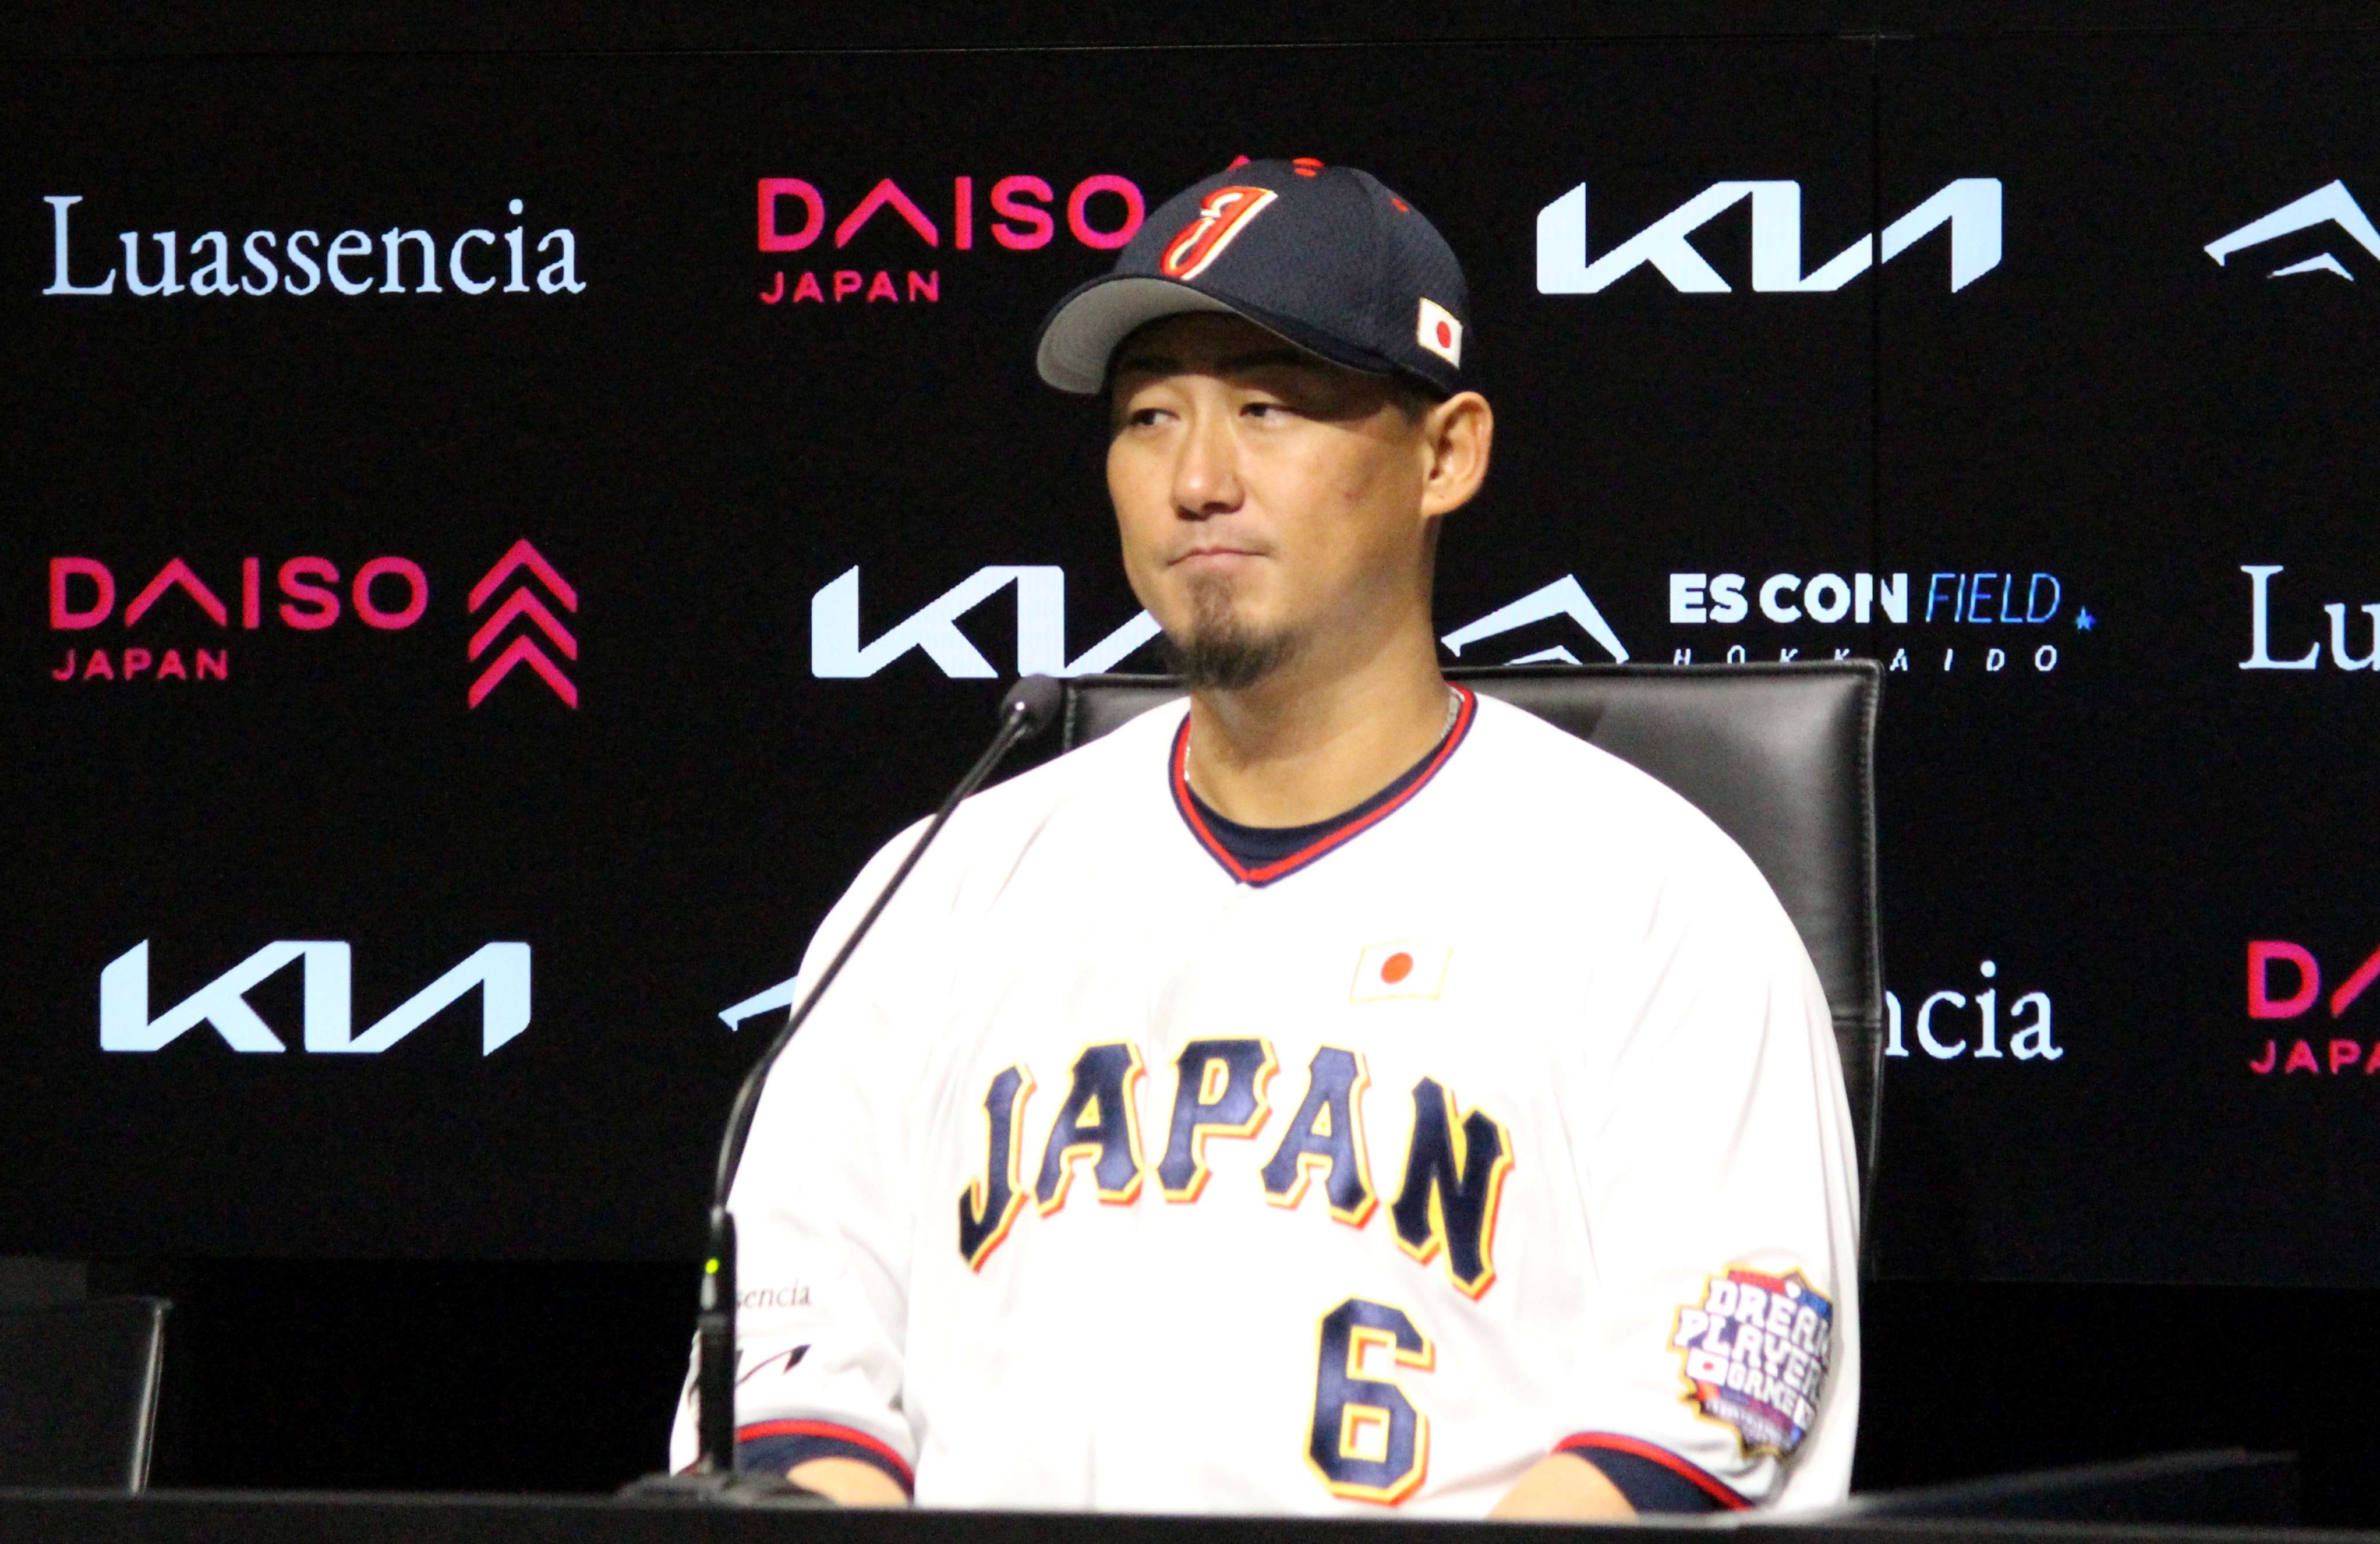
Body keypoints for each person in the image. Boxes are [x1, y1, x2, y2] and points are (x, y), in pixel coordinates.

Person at [671, 157, 1861, 1519]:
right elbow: (789, 1386)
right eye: (1149, 416)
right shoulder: (939, 891)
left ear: (1446, 454)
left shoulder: (1652, 903)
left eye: (1268, 407)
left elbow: (1707, 1415)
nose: (1197, 479)